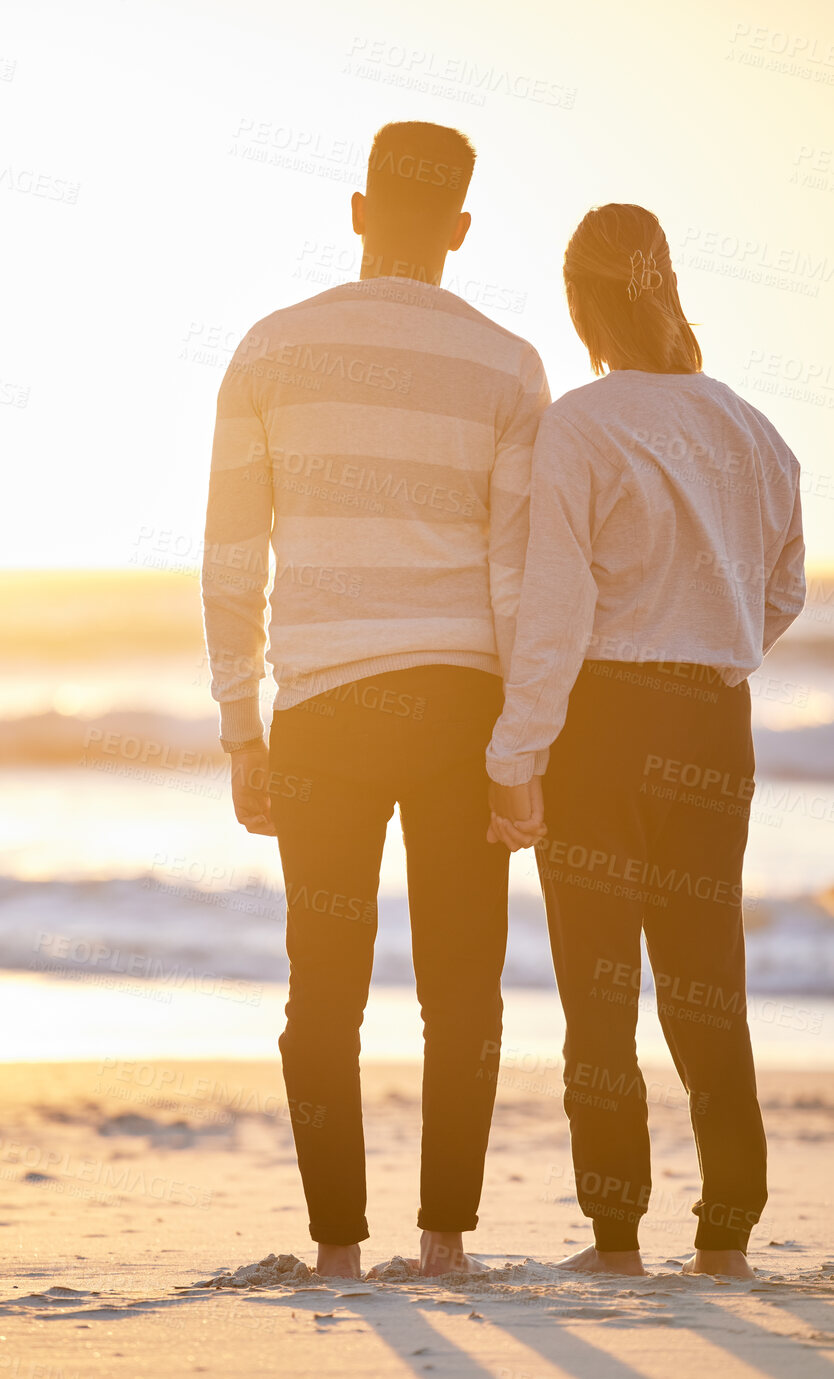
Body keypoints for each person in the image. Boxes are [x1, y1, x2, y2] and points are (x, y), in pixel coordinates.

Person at [201, 121, 549, 1279]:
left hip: (323, 709)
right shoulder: (507, 364)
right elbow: (515, 573)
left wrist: (239, 726)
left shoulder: (267, 349)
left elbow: (230, 561)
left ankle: (338, 1246)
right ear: (458, 227)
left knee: (324, 990)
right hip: (458, 704)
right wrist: (517, 746)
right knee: (462, 990)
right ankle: (444, 1238)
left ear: (358, 211)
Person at [485, 203, 805, 1280]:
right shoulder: (750, 428)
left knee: (601, 986)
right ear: (665, 287)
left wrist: (513, 754)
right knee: (707, 978)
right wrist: (709, 647)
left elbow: (554, 612)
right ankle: (726, 1235)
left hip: (604, 723)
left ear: (580, 303)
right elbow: (784, 589)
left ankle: (614, 1238)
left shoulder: (578, 425)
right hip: (717, 723)